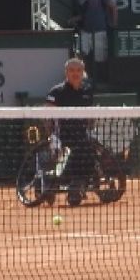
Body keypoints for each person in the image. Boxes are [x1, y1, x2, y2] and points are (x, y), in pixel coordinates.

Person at [43, 58, 94, 206]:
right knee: (79, 150)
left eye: (78, 70)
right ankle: (61, 181)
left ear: (82, 72)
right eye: (72, 71)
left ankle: (78, 183)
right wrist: (51, 135)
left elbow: (91, 114)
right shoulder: (57, 91)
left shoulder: (87, 91)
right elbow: (46, 115)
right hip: (61, 135)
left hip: (82, 134)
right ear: (66, 72)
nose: (75, 73)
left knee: (89, 149)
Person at [70, 0, 117, 81]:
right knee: (81, 55)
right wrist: (73, 20)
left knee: (100, 58)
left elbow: (113, 7)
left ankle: (102, 81)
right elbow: (82, 15)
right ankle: (85, 79)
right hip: (85, 31)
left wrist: (114, 24)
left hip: (100, 30)